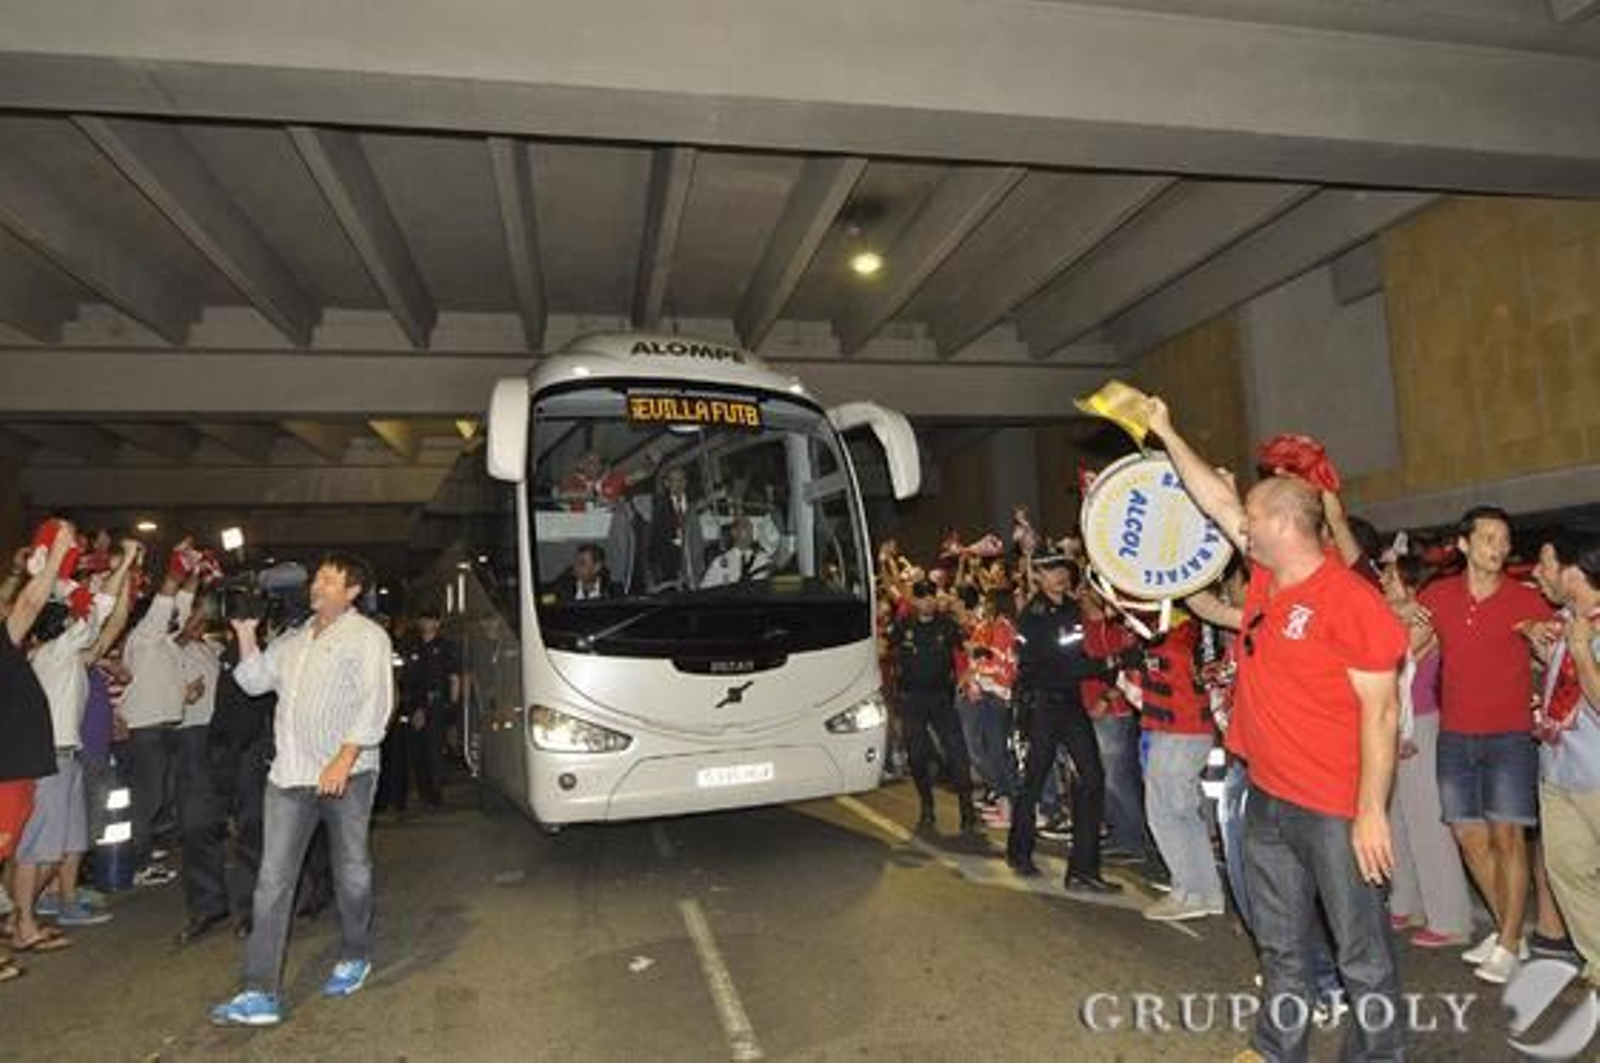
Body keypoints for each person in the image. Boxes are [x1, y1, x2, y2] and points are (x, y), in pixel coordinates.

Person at [1145, 395, 1407, 1062]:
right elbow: (1214, 500)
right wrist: (1166, 429)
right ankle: (1276, 1047)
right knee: (1281, 942)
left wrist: (1371, 811)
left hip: (1333, 806)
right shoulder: (1267, 580)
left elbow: (1381, 711)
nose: (1241, 527)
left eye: (1253, 516)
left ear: (1287, 523)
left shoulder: (1352, 602)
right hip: (1267, 796)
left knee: (1361, 955)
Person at [211, 554, 393, 1027]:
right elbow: (253, 683)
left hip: (346, 776)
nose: (317, 585)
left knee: (351, 869)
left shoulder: (368, 637)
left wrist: (344, 757)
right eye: (317, 578)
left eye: (329, 579)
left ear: (352, 591)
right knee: (272, 881)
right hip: (289, 777)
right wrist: (246, 633)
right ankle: (259, 991)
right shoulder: (293, 640)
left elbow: (377, 703)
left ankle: (354, 952)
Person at [1416, 505, 1551, 984]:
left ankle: (1511, 943)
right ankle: (1509, 928)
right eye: (1489, 537)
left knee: (1507, 836)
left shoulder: (1524, 600)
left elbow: (1548, 645)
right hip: (1455, 734)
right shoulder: (1439, 595)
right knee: (1468, 836)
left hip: (1509, 735)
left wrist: (1539, 635)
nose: (1498, 546)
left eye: (1504, 539)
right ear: (1465, 544)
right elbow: (1412, 643)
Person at [12, 537, 137, 953]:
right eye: (70, 619)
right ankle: (22, 922)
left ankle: (22, 916)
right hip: (51, 761)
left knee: (62, 846)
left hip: (66, 758)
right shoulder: (53, 653)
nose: (78, 623)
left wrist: (122, 574)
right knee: (37, 851)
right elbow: (97, 612)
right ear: (60, 627)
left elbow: (106, 621)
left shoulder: (67, 657)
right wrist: (109, 572)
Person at [1007, 553, 1120, 894]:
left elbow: (1078, 657)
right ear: (1038, 576)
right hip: (1042, 705)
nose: (1059, 576)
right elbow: (1061, 665)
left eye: (1062, 571)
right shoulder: (1033, 617)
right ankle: (1020, 850)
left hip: (1069, 704)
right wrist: (1110, 663)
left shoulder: (1072, 609)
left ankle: (1083, 870)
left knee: (1093, 777)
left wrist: (1103, 663)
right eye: (1050, 571)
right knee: (1035, 780)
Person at [1380, 555, 1473, 949]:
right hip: (1395, 723)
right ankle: (1407, 901)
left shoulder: (1421, 620)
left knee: (1426, 825)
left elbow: (1391, 657)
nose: (1383, 580)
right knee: (1395, 820)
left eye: (1390, 575)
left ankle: (1451, 918)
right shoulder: (1395, 614)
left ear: (1410, 585)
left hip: (1421, 723)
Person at [0, 528, 75, 983]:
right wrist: (59, 555)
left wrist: (17, 570)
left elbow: (19, 603)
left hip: (17, 768)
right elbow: (28, 606)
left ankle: (17, 925)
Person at [1533, 532, 1600, 991]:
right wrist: (1548, 650)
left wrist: (1579, 651)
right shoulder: (1566, 621)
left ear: (1573, 570)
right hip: (1558, 773)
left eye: (1545, 564)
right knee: (1568, 870)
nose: (1537, 573)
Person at [886, 580, 980, 836]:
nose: (928, 601)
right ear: (915, 600)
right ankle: (927, 806)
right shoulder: (903, 625)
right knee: (917, 758)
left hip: (941, 699)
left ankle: (967, 810)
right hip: (911, 700)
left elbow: (963, 653)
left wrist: (966, 675)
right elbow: (886, 651)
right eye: (923, 597)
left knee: (957, 754)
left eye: (932, 596)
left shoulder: (947, 625)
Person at [175, 597, 228, 945]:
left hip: (226, 737)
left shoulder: (211, 647)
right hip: (192, 739)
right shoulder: (166, 647)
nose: (200, 621)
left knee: (252, 822)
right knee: (197, 825)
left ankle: (253, 908)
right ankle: (208, 904)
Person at [402, 607, 461, 809]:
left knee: (434, 749)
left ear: (438, 623)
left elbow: (454, 677)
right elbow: (406, 677)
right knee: (416, 751)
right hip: (413, 703)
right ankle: (423, 791)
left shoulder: (446, 647)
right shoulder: (412, 646)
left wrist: (452, 706)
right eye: (423, 619)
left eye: (430, 620)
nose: (426, 624)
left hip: (436, 703)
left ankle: (435, 794)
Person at [648, 466, 704, 589]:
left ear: (686, 482)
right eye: (674, 480)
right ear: (667, 483)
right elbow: (657, 540)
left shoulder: (694, 504)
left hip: (693, 560)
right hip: (668, 566)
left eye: (681, 480)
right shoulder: (659, 505)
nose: (678, 484)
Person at [700, 517, 774, 589]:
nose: (750, 532)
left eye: (751, 528)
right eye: (745, 527)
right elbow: (704, 590)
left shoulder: (763, 558)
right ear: (734, 532)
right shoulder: (720, 562)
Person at [552, 544, 621, 602]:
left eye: (582, 563)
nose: (576, 567)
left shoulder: (613, 592)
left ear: (597, 567)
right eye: (575, 562)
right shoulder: (562, 590)